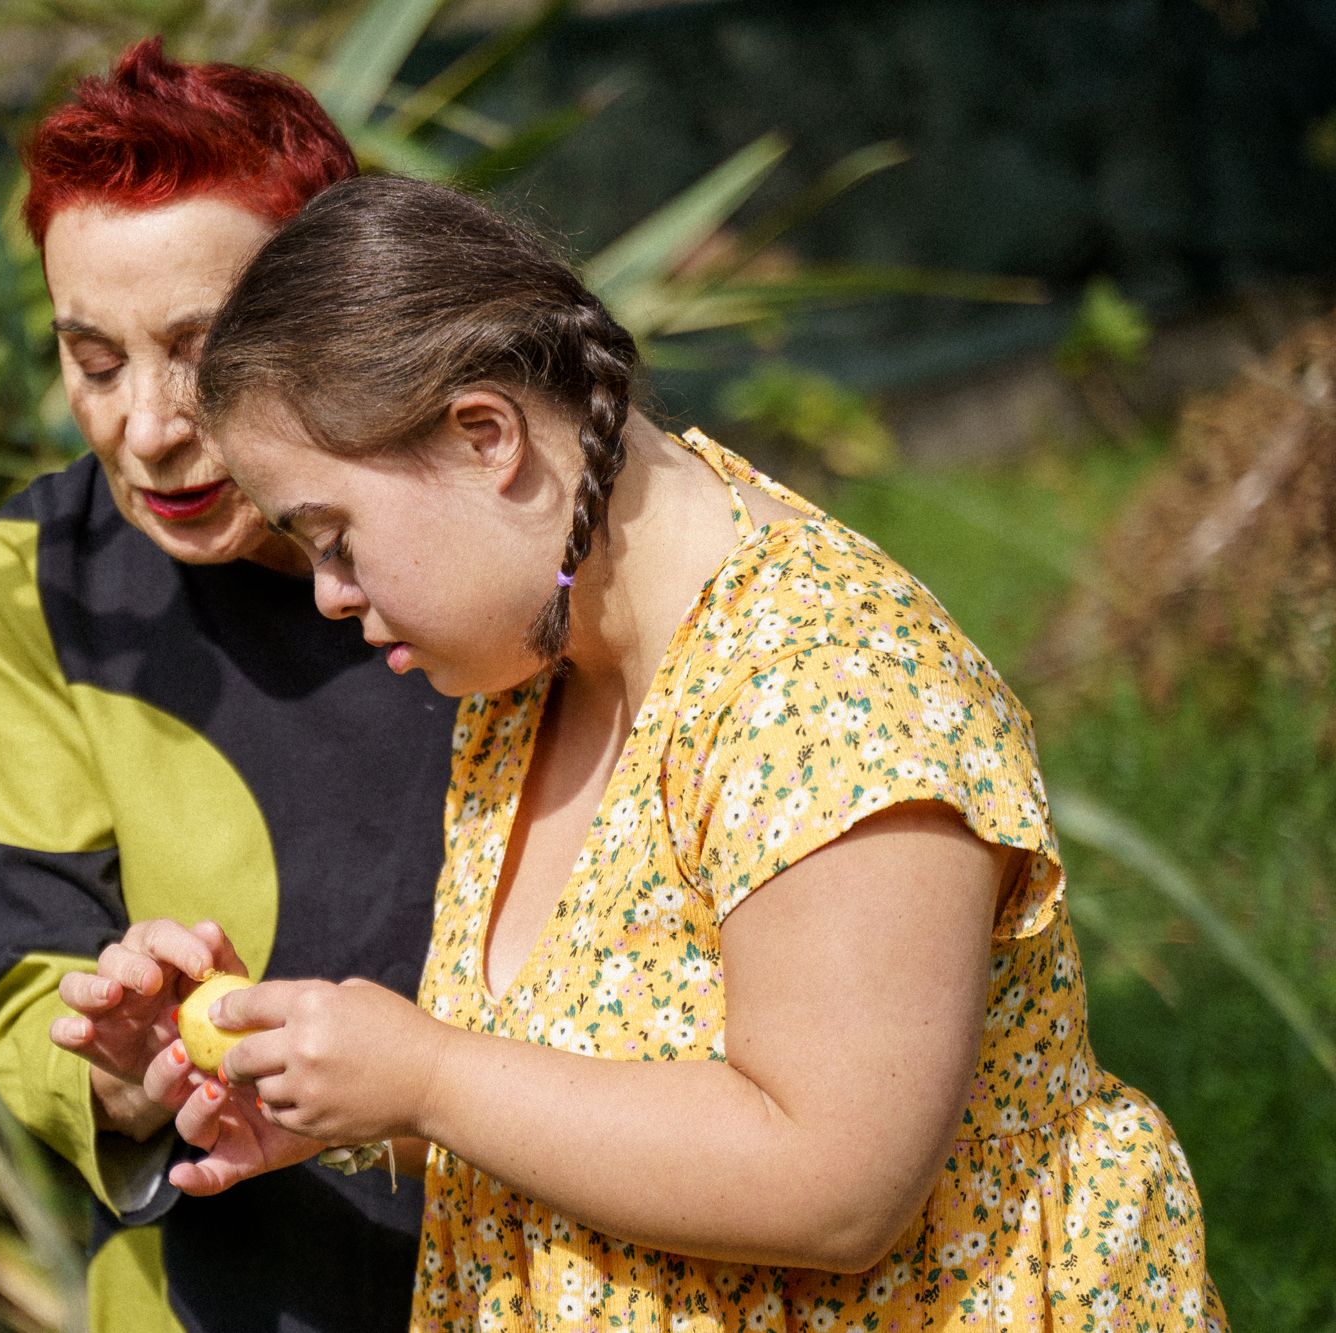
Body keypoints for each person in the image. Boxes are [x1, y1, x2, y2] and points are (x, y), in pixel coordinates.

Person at [159, 175, 1228, 1330]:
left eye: (335, 535)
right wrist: (349, 1104)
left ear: (485, 437)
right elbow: (595, 1090)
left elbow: (831, 1180)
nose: (327, 593)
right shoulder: (536, 663)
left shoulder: (826, 687)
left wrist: (430, 1076)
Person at [0, 46, 454, 1332]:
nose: (150, 427)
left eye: (201, 351)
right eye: (94, 361)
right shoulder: (37, 579)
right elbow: (16, 971)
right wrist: (115, 1069)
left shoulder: (499, 540)